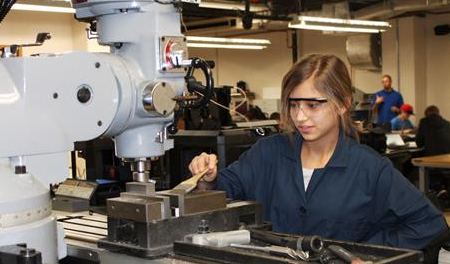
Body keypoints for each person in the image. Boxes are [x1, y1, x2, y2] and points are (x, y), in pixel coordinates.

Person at [189, 54, 447, 250]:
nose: (300, 117)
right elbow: (225, 189)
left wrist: (369, 252)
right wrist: (209, 178)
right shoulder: (267, 153)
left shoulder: (370, 169)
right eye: (294, 105)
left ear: (343, 104)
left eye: (313, 105)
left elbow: (429, 224)